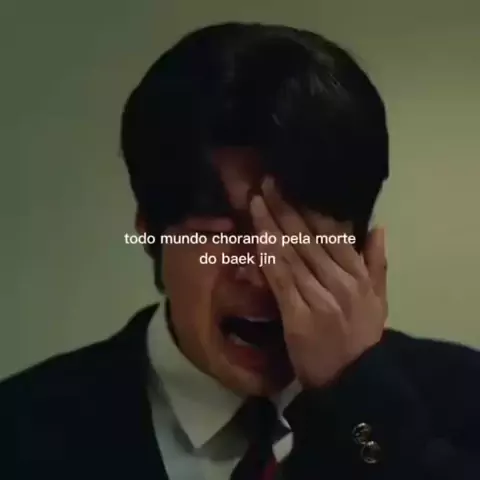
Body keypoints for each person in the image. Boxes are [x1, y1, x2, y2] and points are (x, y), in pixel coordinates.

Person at [0, 22, 479, 480]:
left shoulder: (464, 400)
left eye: (297, 234)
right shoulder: (19, 430)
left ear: (363, 249)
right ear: (151, 230)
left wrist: (361, 401)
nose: (261, 270)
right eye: (224, 229)